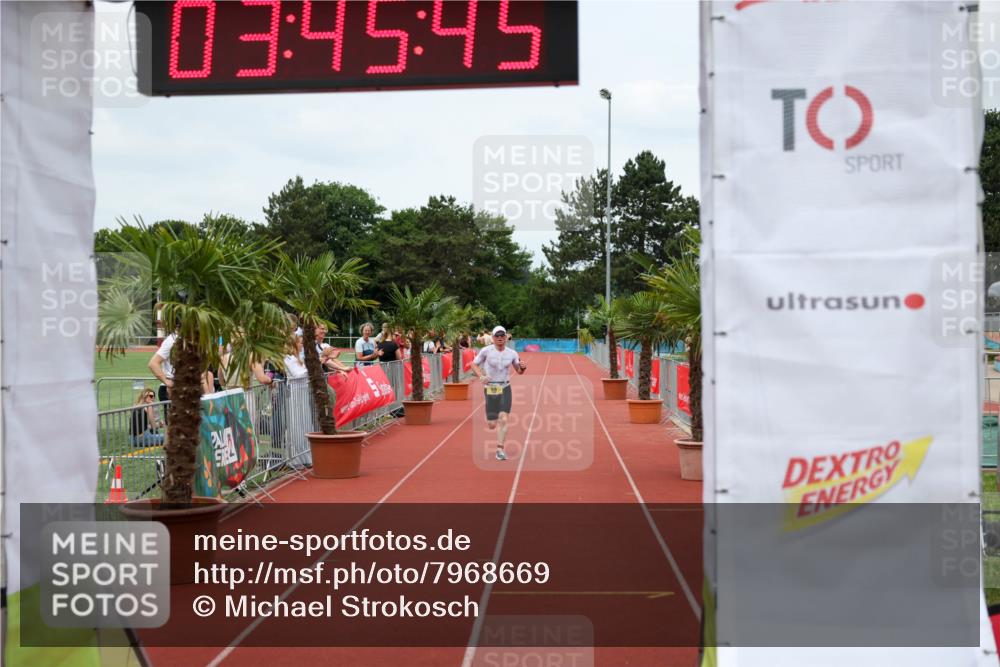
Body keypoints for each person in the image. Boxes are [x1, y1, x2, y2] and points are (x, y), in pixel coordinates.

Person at [471, 325, 527, 461]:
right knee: (491, 424)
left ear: (506, 337)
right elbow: (473, 364)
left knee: (504, 419)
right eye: (497, 336)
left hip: (505, 387)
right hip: (491, 388)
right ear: (493, 337)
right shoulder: (486, 351)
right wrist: (481, 376)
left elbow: (519, 371)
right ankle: (492, 418)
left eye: (502, 335)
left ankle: (500, 449)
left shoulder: (512, 353)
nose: (500, 338)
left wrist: (523, 368)